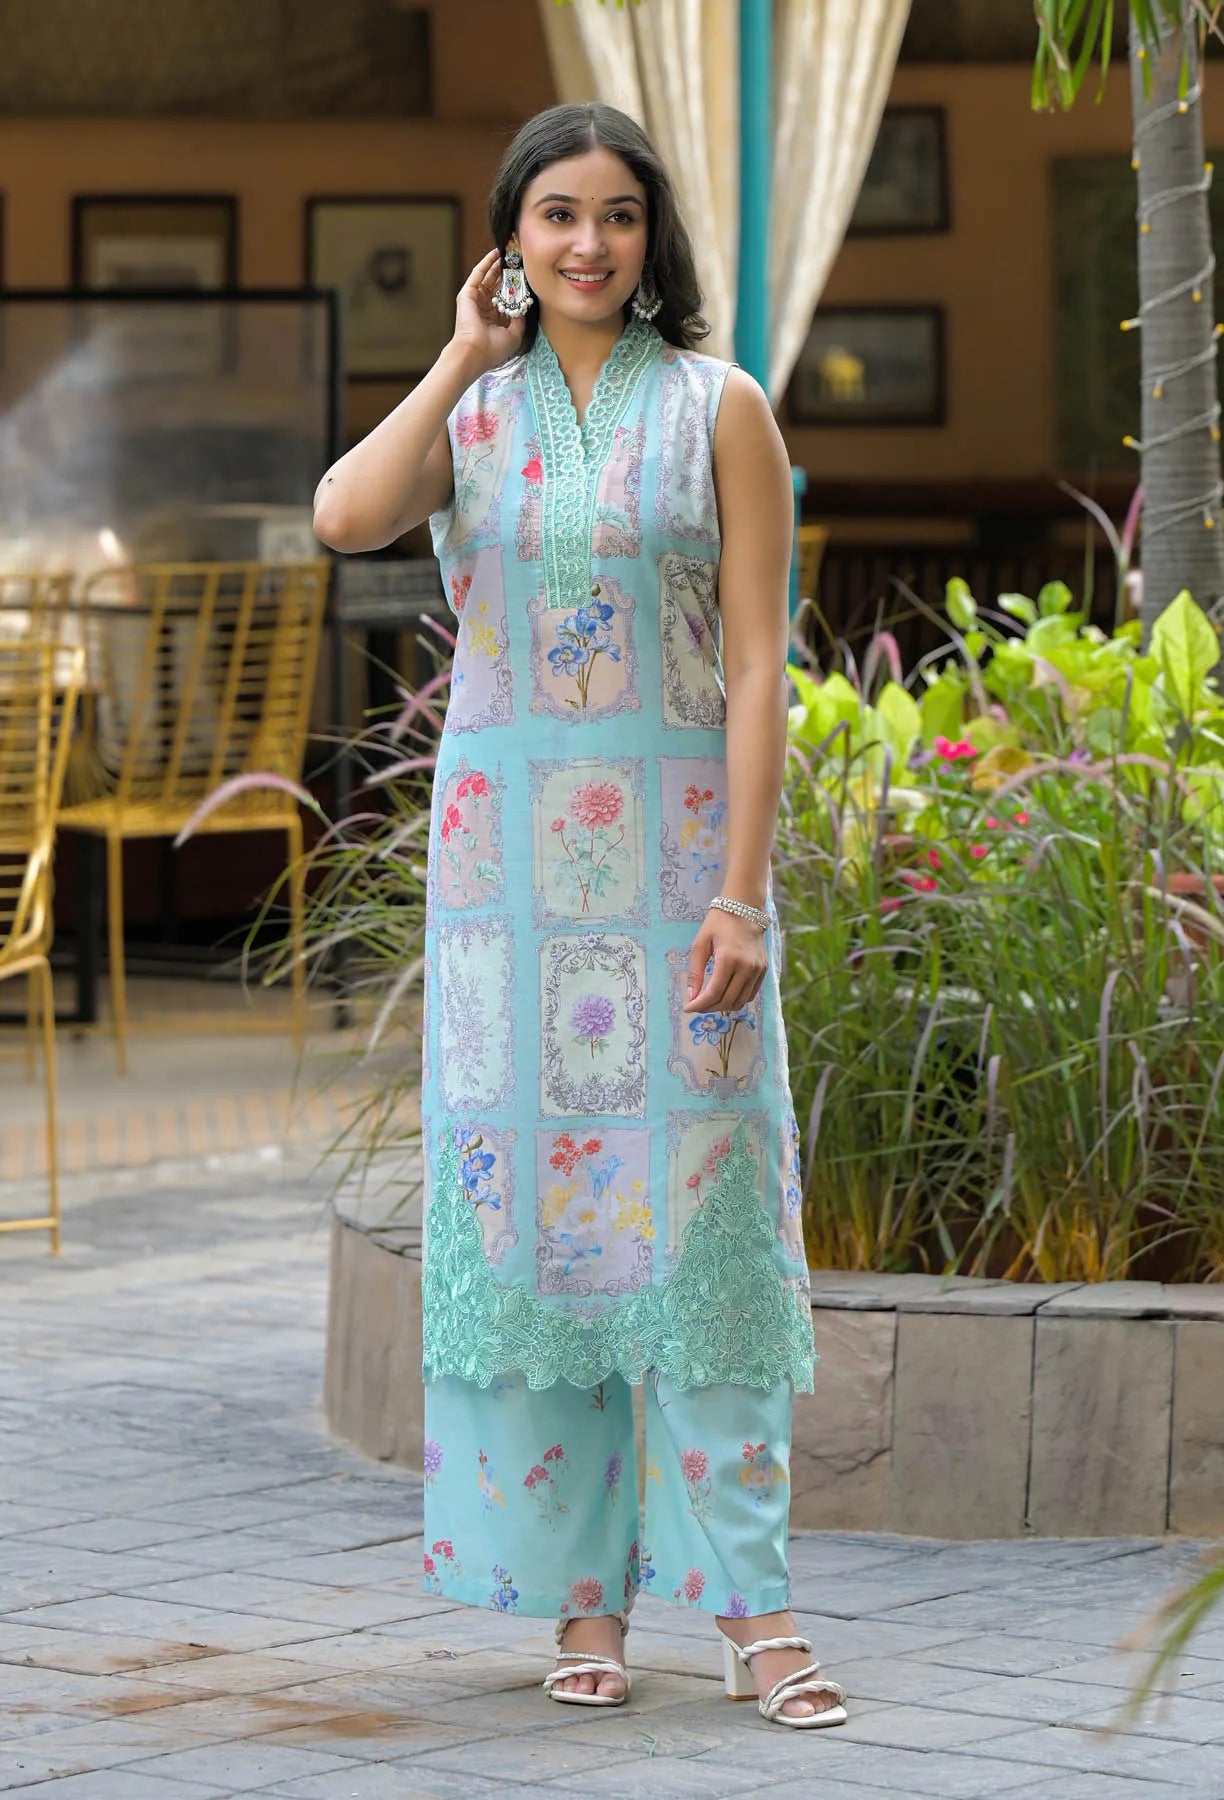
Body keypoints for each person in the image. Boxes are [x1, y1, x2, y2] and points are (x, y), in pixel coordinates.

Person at [313, 101, 846, 1731]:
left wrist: (745, 892)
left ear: (649, 234)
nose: (589, 243)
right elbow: (343, 516)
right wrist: (458, 357)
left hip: (683, 882)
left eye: (616, 214)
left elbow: (756, 661)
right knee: (541, 1225)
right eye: (556, 215)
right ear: (512, 239)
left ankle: (754, 1611)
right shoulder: (474, 415)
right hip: (511, 903)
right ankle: (585, 1595)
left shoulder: (719, 406)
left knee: (701, 1225)